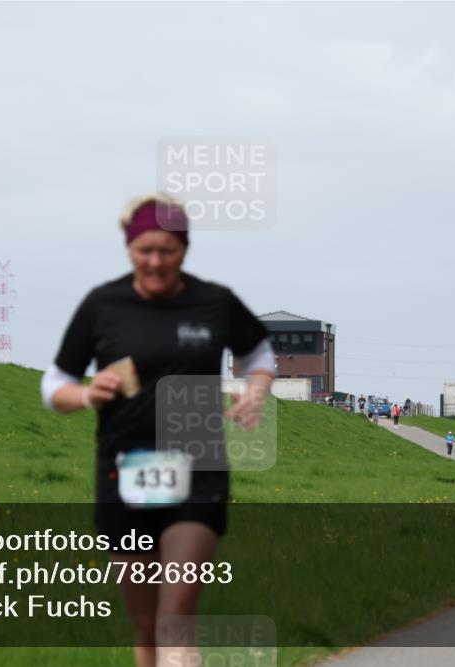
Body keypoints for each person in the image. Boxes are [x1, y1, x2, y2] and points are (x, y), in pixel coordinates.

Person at [41, 193, 275, 667]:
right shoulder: (103, 305)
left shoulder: (214, 301)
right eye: (144, 250)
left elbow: (259, 355)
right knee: (147, 626)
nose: (155, 262)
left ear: (184, 250)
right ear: (128, 249)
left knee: (176, 617)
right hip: (124, 474)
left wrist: (255, 392)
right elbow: (55, 384)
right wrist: (87, 394)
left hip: (198, 472)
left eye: (167, 251)